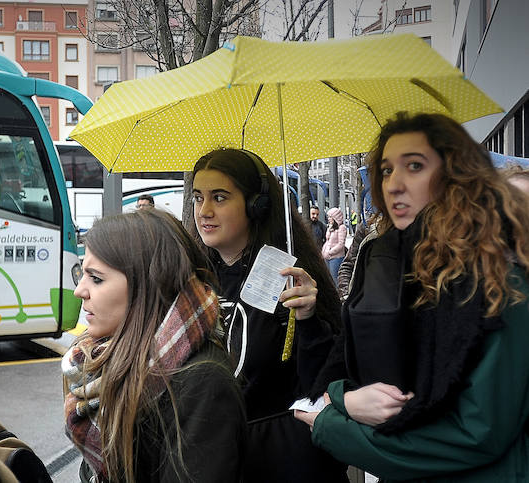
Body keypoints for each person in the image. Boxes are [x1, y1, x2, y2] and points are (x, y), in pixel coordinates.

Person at [295, 112, 529, 481]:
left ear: (456, 175)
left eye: (414, 166)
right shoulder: (396, 268)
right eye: (386, 170)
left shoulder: (501, 278)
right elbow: (382, 379)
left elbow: (477, 434)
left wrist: (335, 424)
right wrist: (347, 397)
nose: (394, 184)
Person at [191, 148, 347, 482]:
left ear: (256, 205)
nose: (204, 211)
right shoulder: (187, 278)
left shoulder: (292, 279)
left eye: (219, 197)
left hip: (284, 461)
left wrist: (308, 321)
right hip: (213, 462)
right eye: (197, 197)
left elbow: (322, 387)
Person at [64, 209, 246, 482]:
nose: (80, 290)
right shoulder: (105, 361)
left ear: (146, 287)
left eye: (96, 278)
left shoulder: (202, 383)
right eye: (83, 274)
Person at [321, 207, 347, 284]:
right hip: (327, 257)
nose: (328, 219)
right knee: (329, 279)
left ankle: (338, 294)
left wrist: (330, 252)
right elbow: (327, 241)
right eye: (328, 217)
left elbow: (341, 244)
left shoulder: (342, 228)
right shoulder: (330, 227)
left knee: (335, 279)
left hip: (336, 258)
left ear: (336, 217)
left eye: (330, 217)